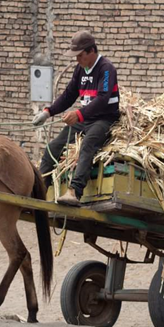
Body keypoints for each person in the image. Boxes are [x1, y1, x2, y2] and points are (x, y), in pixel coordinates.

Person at [33, 30, 120, 206]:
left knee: (88, 145)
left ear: (91, 51)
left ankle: (74, 191)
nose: (77, 59)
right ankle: (39, 191)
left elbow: (103, 99)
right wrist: (48, 112)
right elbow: (68, 95)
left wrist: (78, 114)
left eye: (80, 55)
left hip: (104, 120)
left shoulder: (106, 69)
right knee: (53, 147)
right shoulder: (80, 70)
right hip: (84, 120)